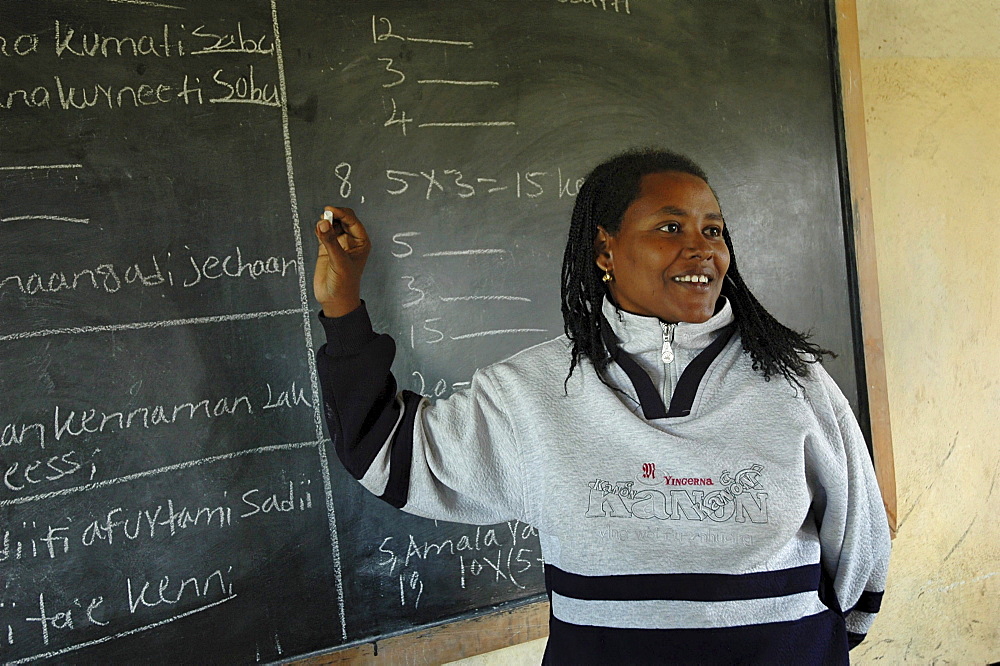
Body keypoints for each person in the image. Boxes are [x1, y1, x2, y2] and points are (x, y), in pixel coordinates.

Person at [313, 149, 890, 665]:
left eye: (714, 230)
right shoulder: (534, 392)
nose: (703, 249)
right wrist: (343, 309)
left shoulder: (793, 381)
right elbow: (388, 451)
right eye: (671, 226)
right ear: (604, 248)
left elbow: (861, 547)